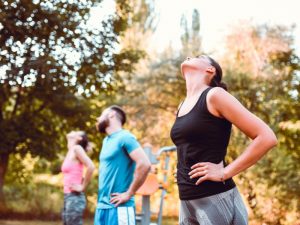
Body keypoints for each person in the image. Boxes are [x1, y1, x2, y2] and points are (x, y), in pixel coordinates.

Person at [170, 55, 278, 225]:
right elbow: (191, 146)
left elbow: (267, 137)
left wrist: (224, 173)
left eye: (198, 57)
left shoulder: (215, 95)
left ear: (210, 70)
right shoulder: (182, 105)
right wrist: (183, 167)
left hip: (215, 198)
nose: (190, 56)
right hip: (187, 200)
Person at [94, 105, 151, 225]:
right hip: (102, 207)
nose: (98, 118)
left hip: (120, 208)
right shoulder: (106, 141)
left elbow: (145, 164)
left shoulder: (125, 137)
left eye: (101, 115)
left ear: (111, 114)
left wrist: (129, 194)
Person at [61, 131, 95, 225]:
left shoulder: (77, 148)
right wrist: (72, 136)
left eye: (76, 132)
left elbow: (91, 166)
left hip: (74, 197)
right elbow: (68, 136)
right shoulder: (72, 150)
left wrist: (82, 187)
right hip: (68, 196)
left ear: (79, 138)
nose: (73, 131)